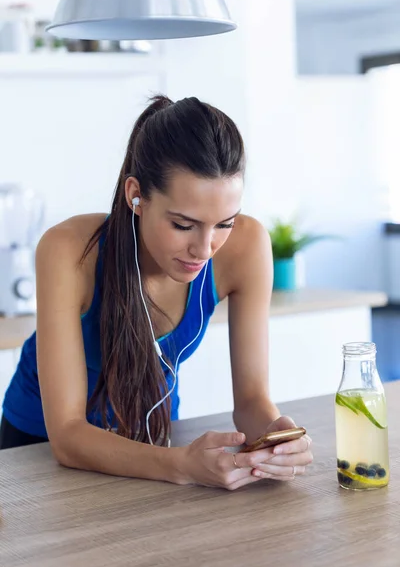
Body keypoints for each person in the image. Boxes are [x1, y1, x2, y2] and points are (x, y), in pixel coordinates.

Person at [0, 95, 312, 490]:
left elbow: (251, 400)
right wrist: (180, 465)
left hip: (156, 445)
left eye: (224, 223)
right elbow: (67, 435)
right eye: (184, 225)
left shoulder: (247, 246)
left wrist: (276, 437)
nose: (205, 248)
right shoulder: (67, 250)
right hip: (39, 456)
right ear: (137, 196)